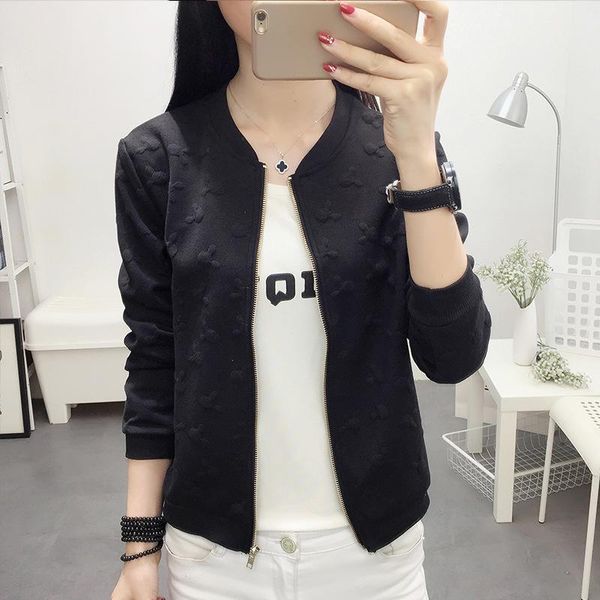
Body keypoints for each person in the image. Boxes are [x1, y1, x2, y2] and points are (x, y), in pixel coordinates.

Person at [111, 1, 491, 599]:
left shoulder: (400, 150)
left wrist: (417, 154)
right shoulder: (157, 158)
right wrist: (140, 548)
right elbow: (155, 360)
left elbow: (453, 356)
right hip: (214, 561)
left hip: (376, 557)